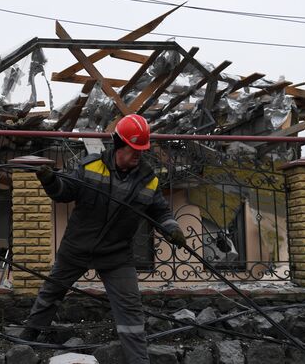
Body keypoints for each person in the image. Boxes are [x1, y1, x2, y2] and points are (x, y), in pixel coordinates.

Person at [19, 114, 186, 364]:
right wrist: (50, 181)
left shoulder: (149, 179)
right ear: (119, 144)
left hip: (116, 254)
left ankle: (138, 361)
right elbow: (65, 192)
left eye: (142, 149)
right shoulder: (90, 166)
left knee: (130, 309)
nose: (139, 154)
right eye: (134, 149)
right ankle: (26, 341)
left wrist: (172, 228)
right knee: (51, 292)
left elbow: (160, 212)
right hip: (77, 246)